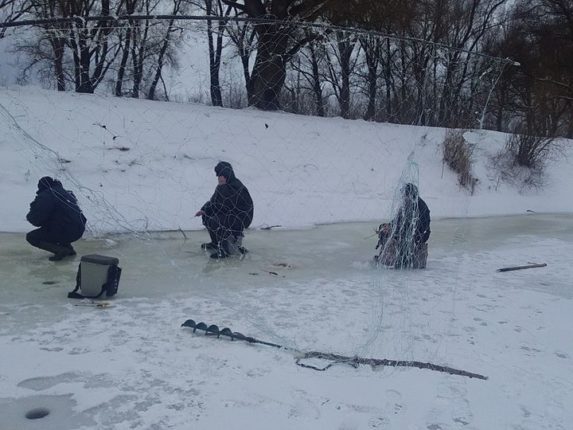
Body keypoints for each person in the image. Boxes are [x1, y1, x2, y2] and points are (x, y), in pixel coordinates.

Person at [195, 161, 254, 259]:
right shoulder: (221, 187)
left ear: (227, 176)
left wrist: (213, 212)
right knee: (208, 216)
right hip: (228, 215)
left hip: (240, 217)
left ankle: (226, 249)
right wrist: (204, 210)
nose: (219, 178)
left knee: (216, 220)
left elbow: (224, 206)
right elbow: (213, 201)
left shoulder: (235, 186)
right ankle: (215, 243)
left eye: (221, 176)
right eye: (218, 176)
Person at [26, 176, 87, 261]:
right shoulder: (66, 193)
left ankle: (59, 250)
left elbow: (36, 218)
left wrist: (30, 216)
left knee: (32, 237)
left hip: (65, 230)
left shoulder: (47, 195)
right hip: (79, 229)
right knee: (58, 223)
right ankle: (69, 249)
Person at [375, 183, 430, 269]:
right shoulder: (407, 203)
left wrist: (395, 230)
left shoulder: (420, 206)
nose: (402, 197)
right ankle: (385, 257)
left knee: (395, 236)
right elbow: (398, 220)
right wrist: (388, 226)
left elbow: (421, 226)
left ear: (409, 194)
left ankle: (395, 259)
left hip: (419, 234)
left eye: (404, 195)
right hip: (408, 231)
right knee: (384, 229)